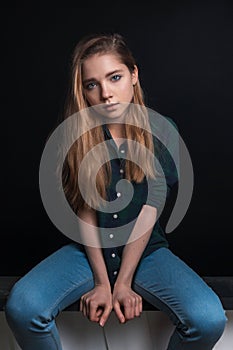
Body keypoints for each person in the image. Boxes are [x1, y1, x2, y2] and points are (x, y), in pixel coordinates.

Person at [5, 32, 227, 350]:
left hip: (146, 251)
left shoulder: (163, 130)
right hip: (89, 251)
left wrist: (122, 282)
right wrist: (100, 281)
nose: (106, 93)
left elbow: (151, 207)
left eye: (115, 77)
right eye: (92, 84)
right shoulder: (76, 137)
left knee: (208, 319)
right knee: (22, 308)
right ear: (83, 92)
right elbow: (86, 212)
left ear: (133, 75)